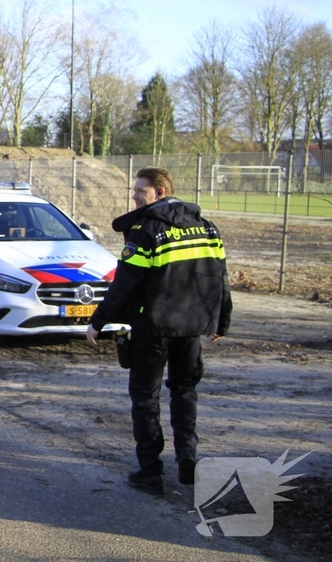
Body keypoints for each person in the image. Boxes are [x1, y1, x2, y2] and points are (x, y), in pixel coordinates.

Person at [86, 167, 231, 494]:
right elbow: (220, 278)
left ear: (160, 192)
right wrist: (220, 321)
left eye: (141, 191)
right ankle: (187, 458)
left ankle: (150, 472)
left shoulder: (147, 230)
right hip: (191, 327)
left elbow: (124, 284)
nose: (135, 196)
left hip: (153, 327)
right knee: (184, 389)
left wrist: (98, 321)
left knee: (146, 397)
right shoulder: (207, 229)